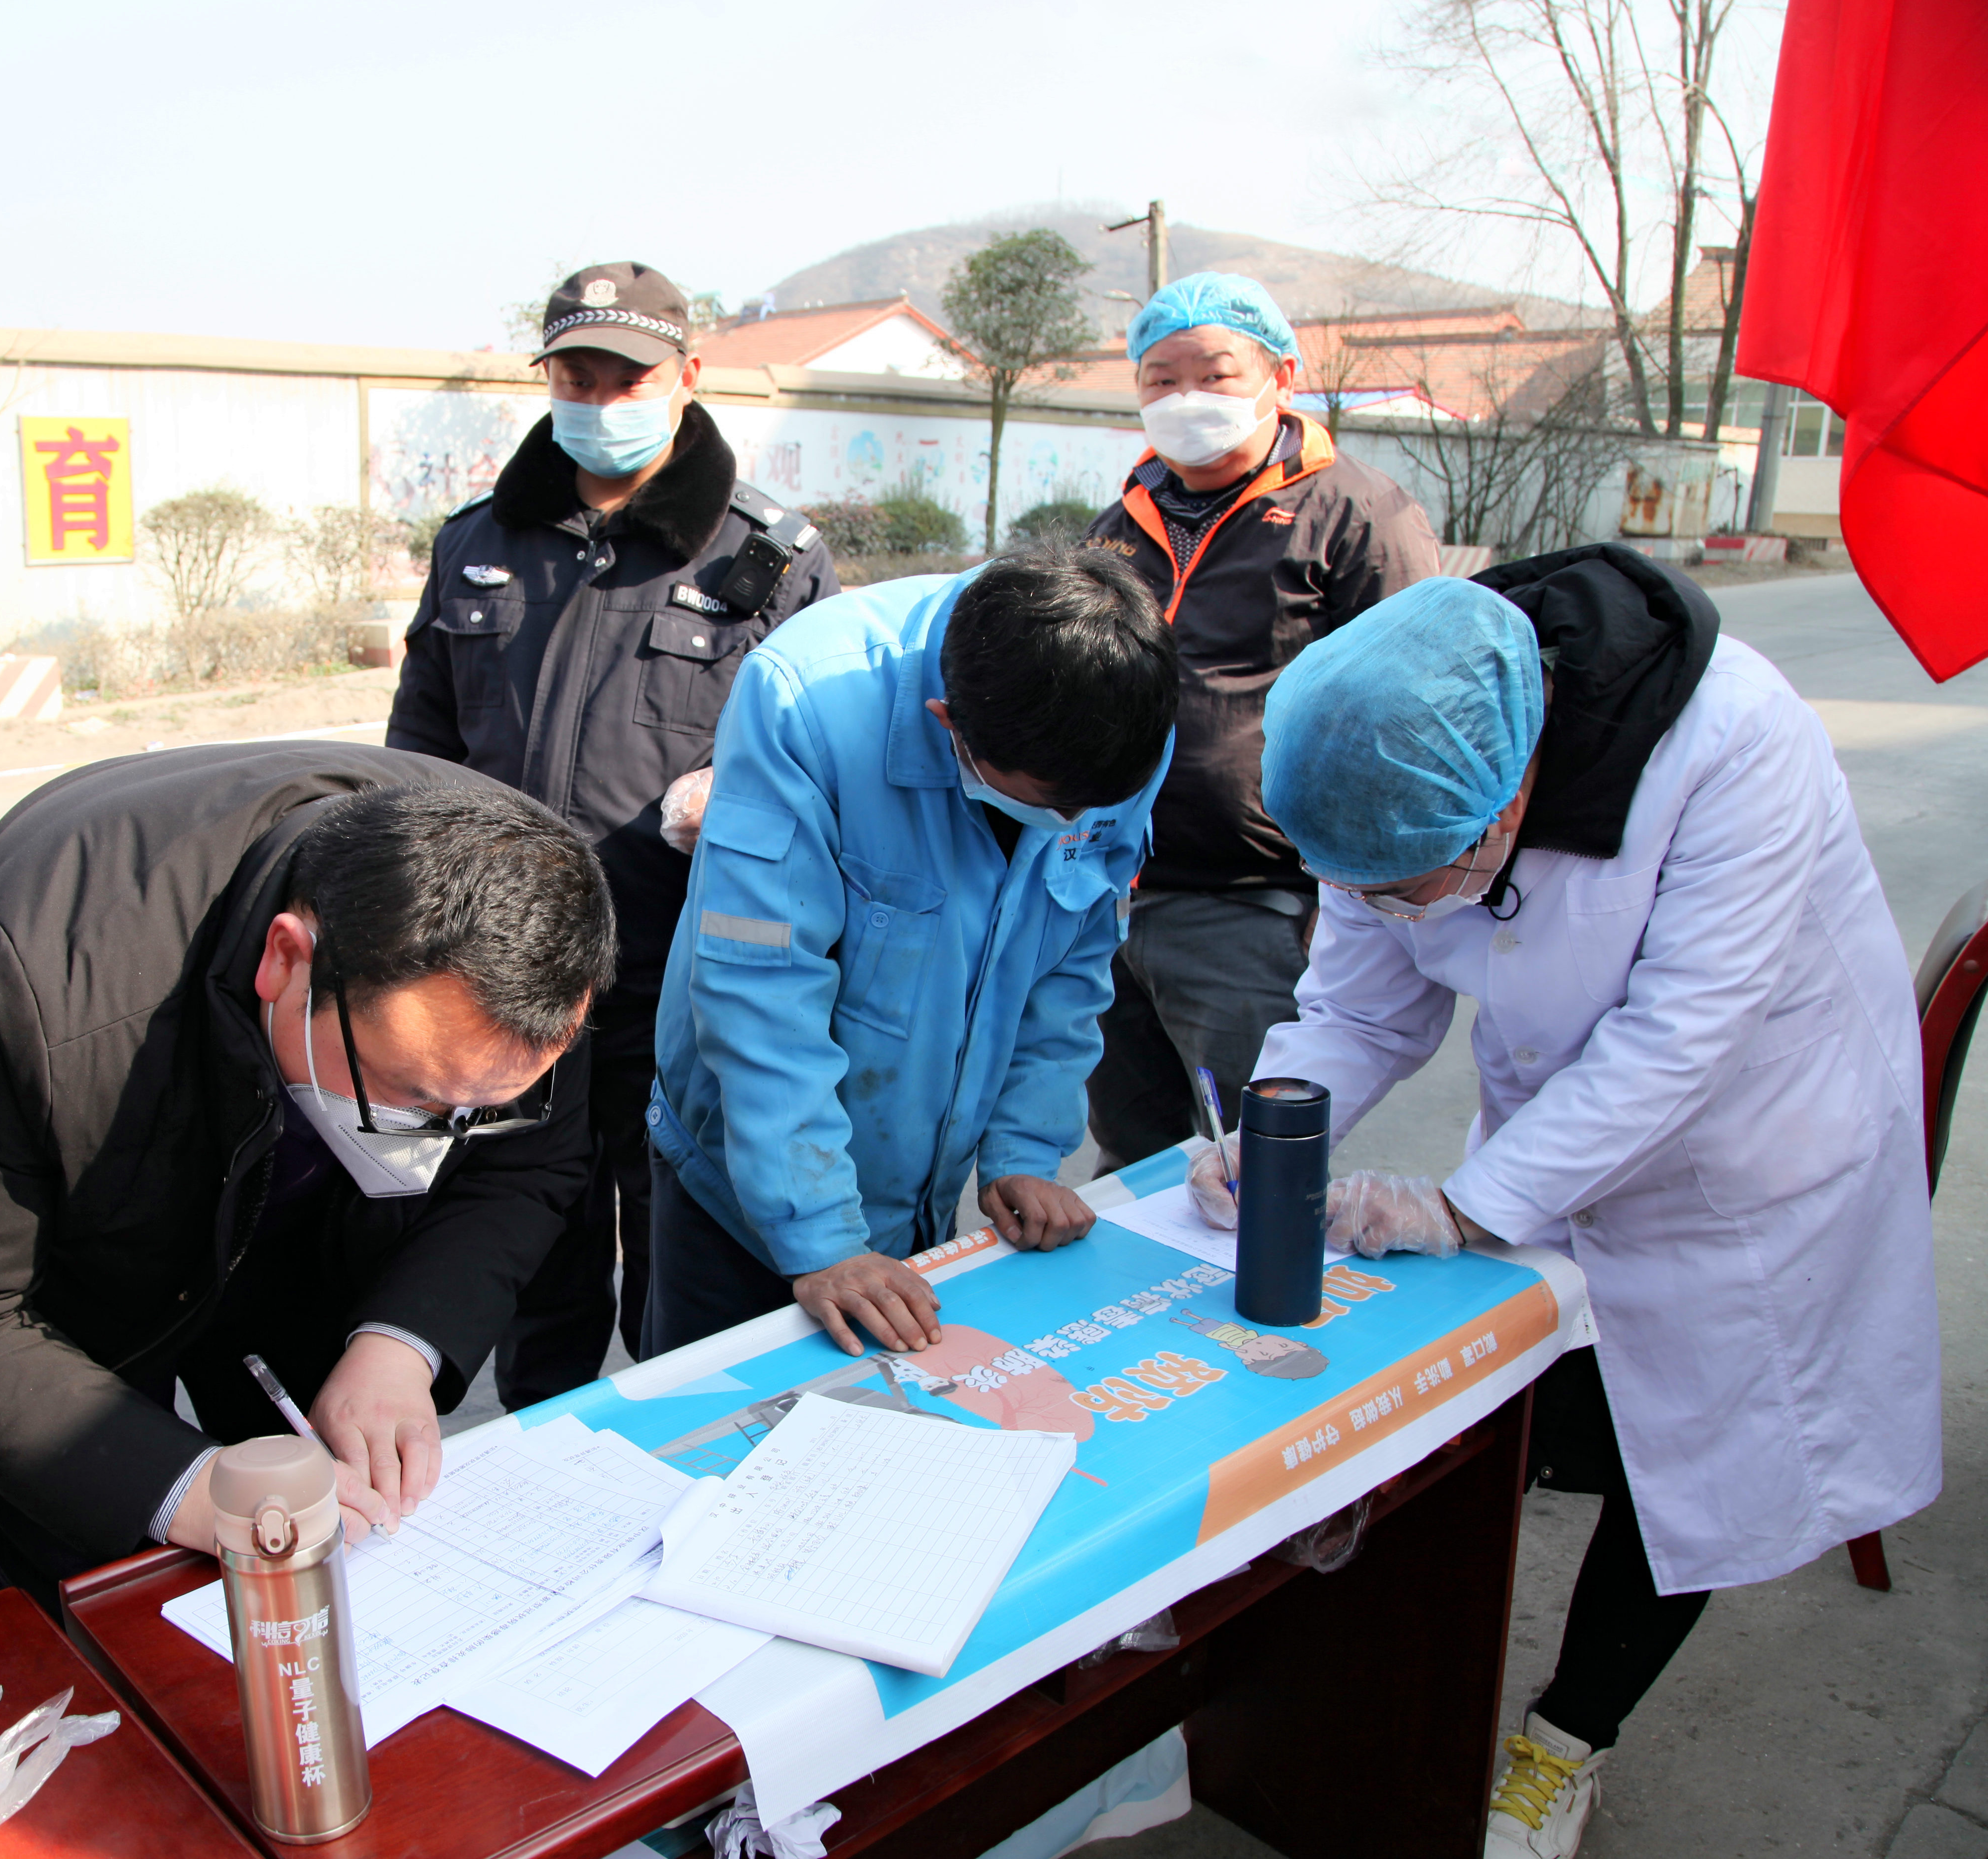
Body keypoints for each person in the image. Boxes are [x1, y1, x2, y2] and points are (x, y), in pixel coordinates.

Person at [1198, 552, 1940, 1859]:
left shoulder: (1734, 741)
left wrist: (1463, 1208)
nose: (1390, 909)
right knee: (1500, 1400)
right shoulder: (1383, 748)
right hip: (1564, 1126)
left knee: (1695, 1465)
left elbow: (1680, 1041)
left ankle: (1568, 1742)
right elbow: (1361, 1005)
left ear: (1509, 797)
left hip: (1758, 1147)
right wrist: (1275, 1131)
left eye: (1412, 883)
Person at [0, 746, 615, 1606]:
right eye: (410, 1096)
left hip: (310, 1229)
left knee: (335, 1536)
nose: (438, 1141)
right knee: (103, 1587)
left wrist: (398, 1346)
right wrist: (183, 1489)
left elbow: (526, 1166)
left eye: (485, 1107)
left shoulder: (537, 932)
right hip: (66, 1278)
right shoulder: (41, 975)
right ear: (286, 960)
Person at [387, 261, 838, 1411]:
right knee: (528, 1246)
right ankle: (548, 1440)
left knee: (683, 1249)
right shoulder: (478, 542)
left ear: (687, 374)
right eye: (575, 377)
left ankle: (676, 1440)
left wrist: (731, 796)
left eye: (626, 377)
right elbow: (418, 751)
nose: (598, 400)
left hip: (682, 973)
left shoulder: (769, 557)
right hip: (505, 975)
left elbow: (824, 765)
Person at [642, 547, 1180, 1358]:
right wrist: (822, 1240)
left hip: (917, 1171)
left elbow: (1073, 958)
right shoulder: (806, 700)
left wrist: (1024, 1151)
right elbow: (760, 989)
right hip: (746, 1173)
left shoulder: (1122, 710)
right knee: (725, 1414)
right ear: (946, 722)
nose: (1073, 827)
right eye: (1048, 806)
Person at [1080, 272, 1439, 1172]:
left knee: (1260, 1164)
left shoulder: (1357, 514)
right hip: (1109, 898)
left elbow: (1408, 714)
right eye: (1161, 379)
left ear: (1282, 375)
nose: (1185, 398)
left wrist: (1351, 898)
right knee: (1135, 1158)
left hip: (1256, 905)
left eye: (1214, 374)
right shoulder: (1120, 523)